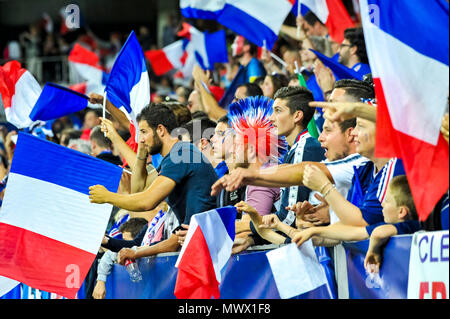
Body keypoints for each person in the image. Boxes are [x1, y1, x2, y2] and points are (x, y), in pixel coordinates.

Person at [89, 103, 218, 262]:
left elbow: (146, 201)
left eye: (143, 132)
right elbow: (137, 190)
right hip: (197, 244)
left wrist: (107, 197)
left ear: (161, 130)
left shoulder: (182, 155)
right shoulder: (173, 158)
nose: (140, 139)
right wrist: (137, 149)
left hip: (205, 249)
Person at [289, 175, 421, 274]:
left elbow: (378, 233)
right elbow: (353, 232)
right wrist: (314, 231)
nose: (382, 204)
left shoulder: (411, 226)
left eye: (387, 201)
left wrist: (373, 251)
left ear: (402, 212)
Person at [92, 217, 148, 299]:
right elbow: (109, 254)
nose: (123, 243)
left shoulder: (148, 246)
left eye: (126, 240)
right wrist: (101, 280)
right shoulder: (124, 251)